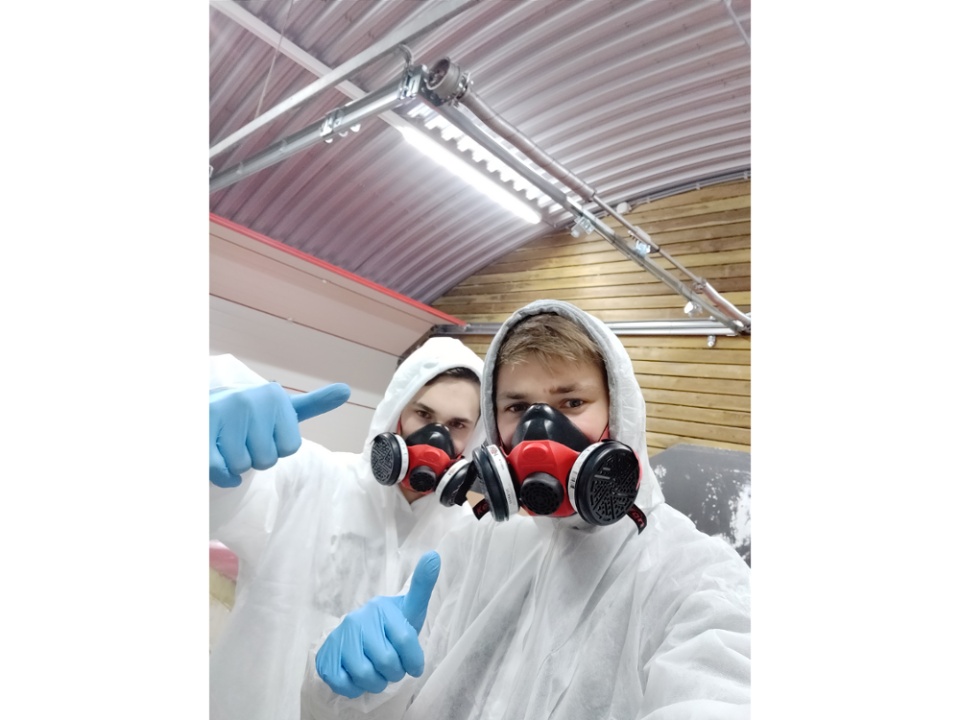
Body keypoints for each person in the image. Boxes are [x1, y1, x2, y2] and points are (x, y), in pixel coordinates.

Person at [301, 299, 751, 720]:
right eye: (517, 407)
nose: (539, 430)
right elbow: (375, 699)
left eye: (572, 403)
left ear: (620, 413)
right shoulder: (476, 546)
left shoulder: (696, 577)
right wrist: (357, 675)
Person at [208, 337, 485, 720]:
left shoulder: (468, 536)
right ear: (397, 413)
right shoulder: (310, 476)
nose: (436, 439)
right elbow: (221, 502)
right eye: (423, 414)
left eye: (457, 425)